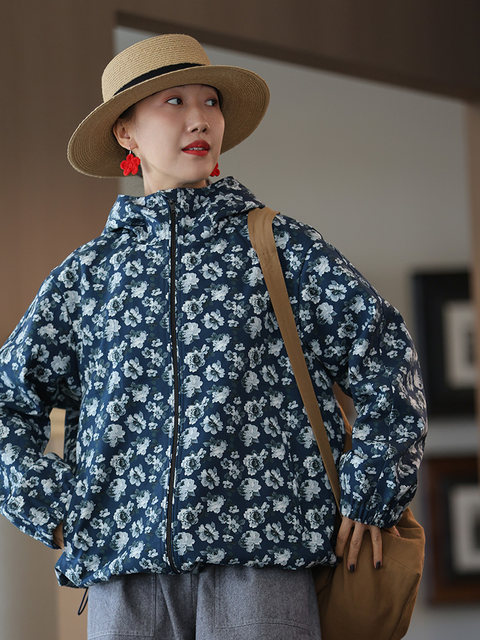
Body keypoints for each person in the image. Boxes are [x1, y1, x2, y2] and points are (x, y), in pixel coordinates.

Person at [0, 34, 427, 639]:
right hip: (125, 574)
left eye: (211, 101)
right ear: (126, 132)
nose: (200, 118)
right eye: (173, 102)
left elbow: (385, 355)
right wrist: (58, 506)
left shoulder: (282, 248)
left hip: (263, 561)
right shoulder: (90, 275)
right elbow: (6, 400)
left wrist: (373, 487)